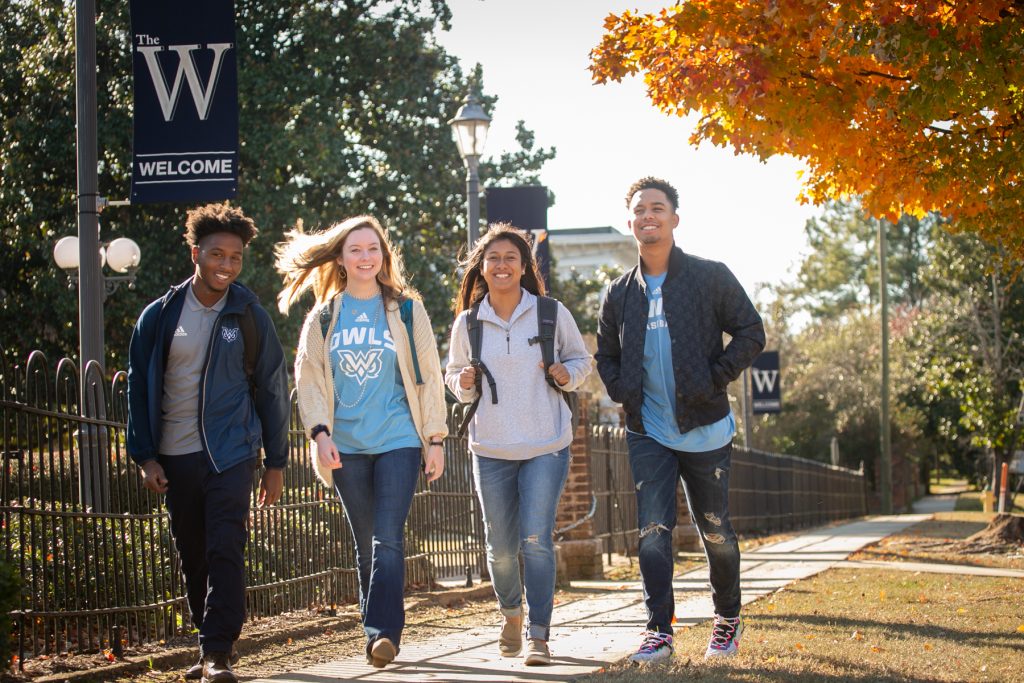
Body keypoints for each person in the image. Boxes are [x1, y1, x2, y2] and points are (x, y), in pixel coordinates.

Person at [595, 177, 766, 664]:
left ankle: (727, 620)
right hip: (647, 429)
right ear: (630, 222)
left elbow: (752, 333)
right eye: (639, 210)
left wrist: (716, 378)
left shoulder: (709, 277)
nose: (648, 216)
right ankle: (658, 631)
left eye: (657, 208)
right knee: (653, 530)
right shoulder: (618, 294)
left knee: (715, 529)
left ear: (674, 218)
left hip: (705, 427)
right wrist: (624, 392)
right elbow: (605, 355)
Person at [126, 203, 291, 683]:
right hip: (176, 457)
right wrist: (145, 455)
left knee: (226, 547)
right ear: (196, 253)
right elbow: (139, 387)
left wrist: (276, 462)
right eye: (216, 254)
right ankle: (209, 645)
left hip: (232, 452)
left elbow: (273, 389)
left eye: (235, 257)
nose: (226, 265)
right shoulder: (158, 316)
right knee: (193, 552)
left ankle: (218, 652)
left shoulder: (249, 315)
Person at [277, 215, 447, 669]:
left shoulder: (406, 309)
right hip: (346, 445)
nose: (365, 257)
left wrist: (435, 438)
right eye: (356, 249)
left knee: (387, 538)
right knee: (366, 539)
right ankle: (378, 630)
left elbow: (429, 376)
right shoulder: (326, 315)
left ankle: (381, 634)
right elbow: (308, 378)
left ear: (383, 256)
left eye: (373, 248)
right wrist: (319, 433)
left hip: (398, 439)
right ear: (341, 258)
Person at [444, 224, 592, 666]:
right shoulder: (468, 323)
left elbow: (581, 360)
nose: (502, 265)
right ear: (482, 268)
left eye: (511, 257)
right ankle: (511, 613)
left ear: (524, 266)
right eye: (494, 258)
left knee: (536, 539)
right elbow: (454, 376)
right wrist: (462, 382)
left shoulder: (550, 313)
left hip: (546, 442)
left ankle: (539, 635)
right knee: (501, 546)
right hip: (490, 447)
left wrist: (568, 374)